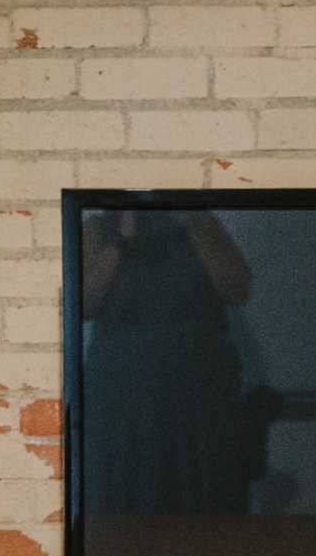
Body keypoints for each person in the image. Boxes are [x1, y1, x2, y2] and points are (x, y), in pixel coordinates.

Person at [79, 208, 256, 518]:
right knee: (123, 486)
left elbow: (238, 288)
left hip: (198, 389)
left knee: (205, 488)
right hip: (122, 390)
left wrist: (194, 225)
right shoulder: (99, 226)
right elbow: (83, 302)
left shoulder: (199, 222)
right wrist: (122, 239)